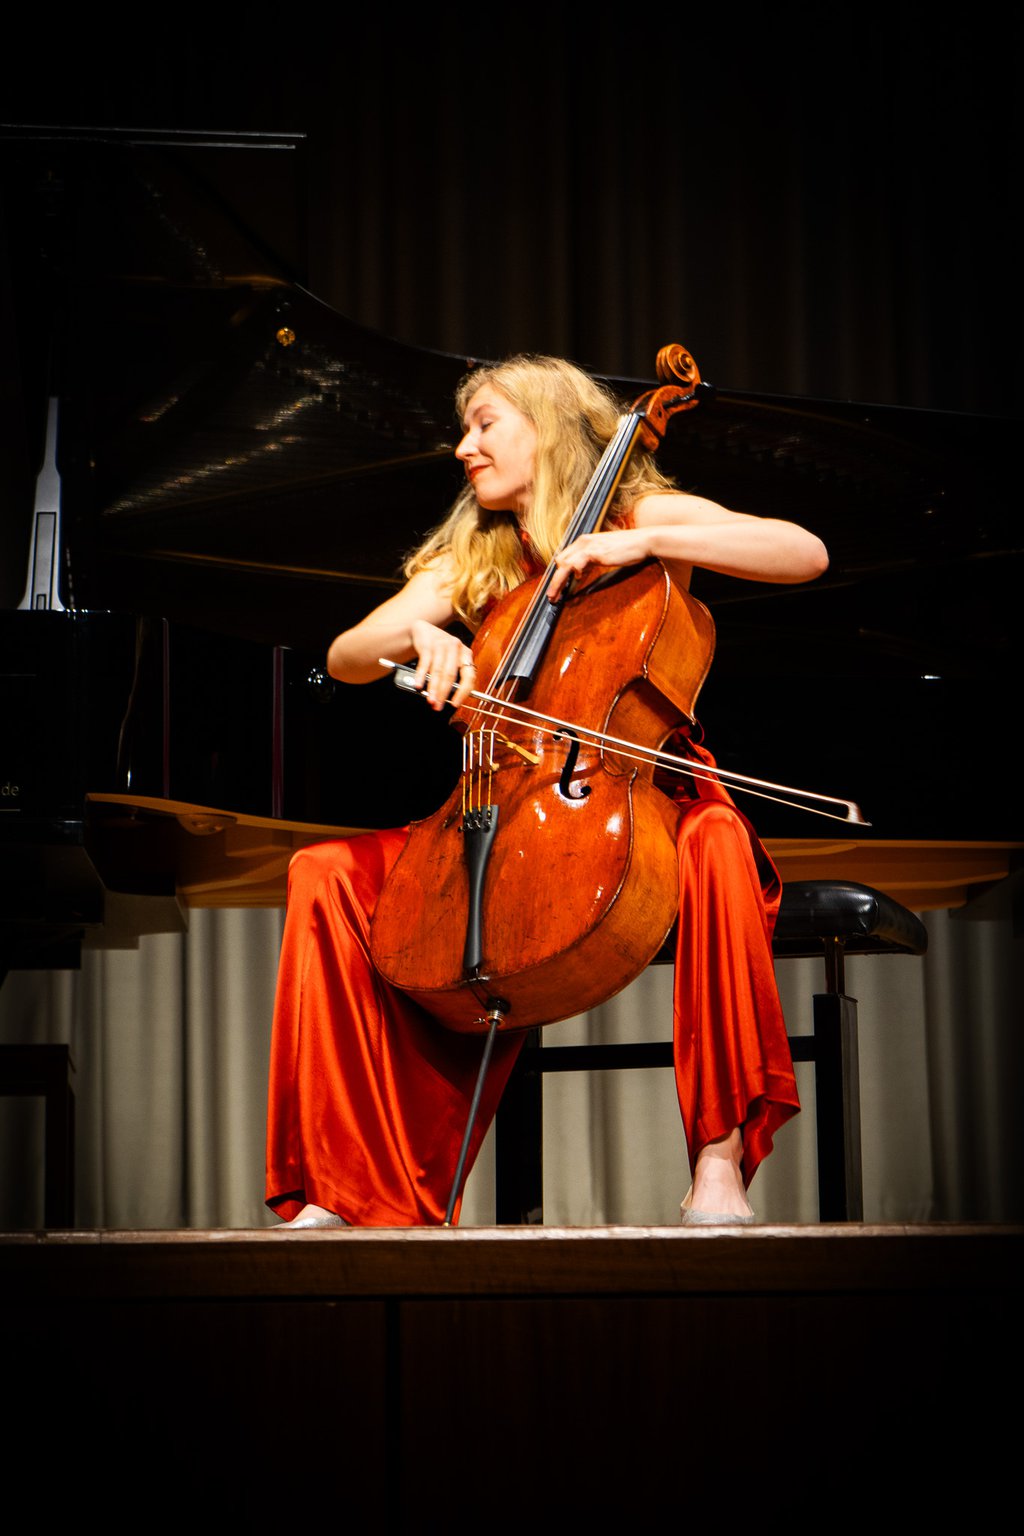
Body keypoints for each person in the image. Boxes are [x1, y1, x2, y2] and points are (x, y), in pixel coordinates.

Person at [265, 354, 828, 1229]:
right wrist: (416, 633)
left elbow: (803, 553)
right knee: (324, 873)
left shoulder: (644, 512)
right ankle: (350, 1188)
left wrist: (645, 540)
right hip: (507, 805)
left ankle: (719, 1166)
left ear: (550, 423)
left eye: (484, 424)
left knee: (719, 844)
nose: (464, 448)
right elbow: (346, 655)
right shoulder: (478, 553)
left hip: (650, 805)